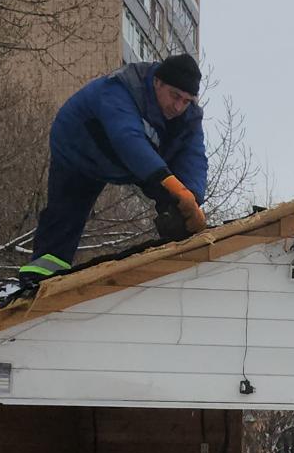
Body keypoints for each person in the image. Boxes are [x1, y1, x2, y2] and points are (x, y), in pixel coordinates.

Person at [17, 53, 209, 289]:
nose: (178, 106)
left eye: (187, 100)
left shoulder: (188, 117)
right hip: (80, 149)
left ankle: (182, 255)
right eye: (175, 96)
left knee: (179, 203)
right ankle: (40, 277)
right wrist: (170, 184)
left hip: (131, 158)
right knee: (66, 213)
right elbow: (127, 138)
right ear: (157, 82)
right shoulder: (120, 88)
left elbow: (193, 156)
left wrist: (192, 199)